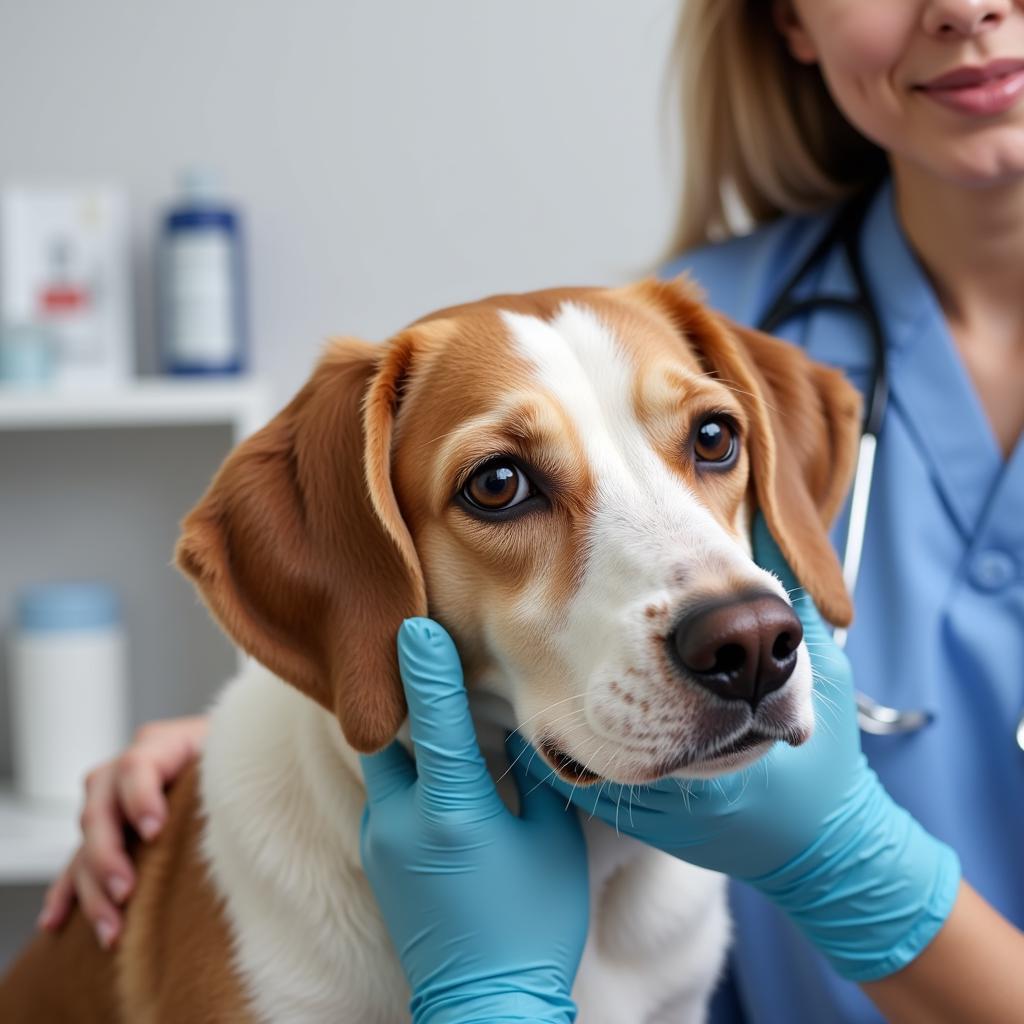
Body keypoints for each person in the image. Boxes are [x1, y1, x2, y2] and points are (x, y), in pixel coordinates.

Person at [38, 0, 1024, 1020]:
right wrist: (309, 683)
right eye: (502, 485)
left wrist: (854, 869)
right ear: (789, 20)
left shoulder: (718, 348)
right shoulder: (698, 313)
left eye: (709, 443)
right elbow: (346, 586)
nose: (969, 5)